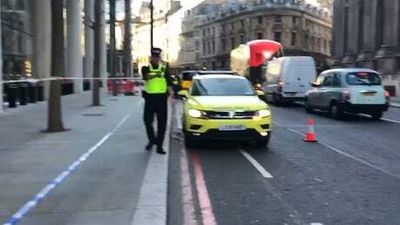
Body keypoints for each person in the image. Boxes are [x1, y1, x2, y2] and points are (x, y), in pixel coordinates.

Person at [142, 48, 171, 154]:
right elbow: (146, 77)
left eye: (157, 57)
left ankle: (159, 146)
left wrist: (170, 93)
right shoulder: (146, 68)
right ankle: (152, 139)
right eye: (153, 57)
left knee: (162, 123)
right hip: (149, 99)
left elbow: (169, 81)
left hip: (161, 99)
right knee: (147, 121)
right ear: (151, 58)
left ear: (159, 58)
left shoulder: (164, 68)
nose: (155, 59)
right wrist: (155, 75)